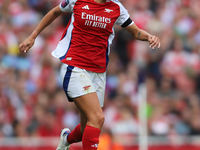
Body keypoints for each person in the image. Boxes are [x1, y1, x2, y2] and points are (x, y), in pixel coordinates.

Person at [19, 0, 160, 150]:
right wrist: (32, 36)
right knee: (98, 118)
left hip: (98, 73)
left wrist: (149, 37)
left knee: (85, 129)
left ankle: (66, 139)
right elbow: (55, 12)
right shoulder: (77, 0)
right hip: (75, 67)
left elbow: (136, 32)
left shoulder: (116, 7)